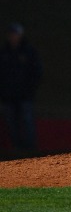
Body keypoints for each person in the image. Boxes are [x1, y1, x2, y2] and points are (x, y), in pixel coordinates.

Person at [0, 23, 42, 151]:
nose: (13, 37)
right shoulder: (4, 52)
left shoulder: (28, 51)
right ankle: (17, 148)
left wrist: (30, 88)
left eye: (15, 34)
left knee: (27, 121)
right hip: (8, 95)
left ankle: (30, 149)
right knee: (11, 123)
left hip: (25, 94)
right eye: (11, 34)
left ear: (20, 35)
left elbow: (36, 71)